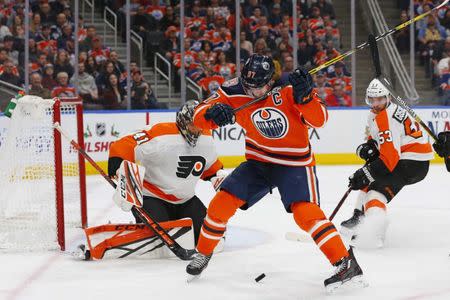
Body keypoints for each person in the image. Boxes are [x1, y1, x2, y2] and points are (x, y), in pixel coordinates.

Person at [186, 54, 365, 292]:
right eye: (249, 87)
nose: (252, 93)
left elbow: (320, 119)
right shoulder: (233, 90)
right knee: (221, 203)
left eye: (259, 87)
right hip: (258, 160)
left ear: (271, 81)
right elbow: (199, 115)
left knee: (306, 214)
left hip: (294, 163)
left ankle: (345, 263)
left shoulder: (292, 88)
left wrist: (306, 98)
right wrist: (210, 115)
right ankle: (203, 253)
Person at [108, 100, 227, 245]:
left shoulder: (207, 139)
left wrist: (218, 177)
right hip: (152, 197)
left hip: (186, 200)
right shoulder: (160, 134)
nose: (198, 130)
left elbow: (210, 167)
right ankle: (144, 225)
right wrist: (117, 161)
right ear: (183, 121)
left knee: (207, 237)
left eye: (201, 125)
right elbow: (125, 143)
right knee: (156, 241)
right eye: (193, 124)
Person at [341, 78, 434, 247]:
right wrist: (369, 147)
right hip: (409, 158)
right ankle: (359, 216)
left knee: (375, 192)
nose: (376, 103)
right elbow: (377, 141)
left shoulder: (386, 118)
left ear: (388, 98)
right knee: (369, 175)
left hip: (412, 163)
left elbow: (389, 159)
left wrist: (364, 174)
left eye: (380, 99)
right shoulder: (376, 114)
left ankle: (374, 233)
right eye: (372, 99)